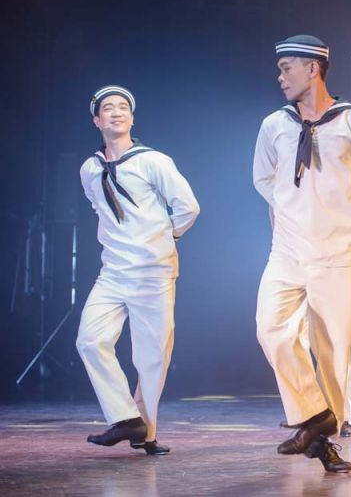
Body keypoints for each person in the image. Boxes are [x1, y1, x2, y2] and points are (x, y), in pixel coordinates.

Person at [253, 35, 351, 472]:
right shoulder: (274, 125)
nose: (280, 78)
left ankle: (325, 443)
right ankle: (315, 415)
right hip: (287, 249)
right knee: (271, 329)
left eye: (287, 69)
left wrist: (346, 217)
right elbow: (263, 179)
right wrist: (289, 210)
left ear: (312, 69)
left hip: (336, 252)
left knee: (333, 349)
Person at [77, 85, 200, 455]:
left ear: (131, 118)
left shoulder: (153, 161)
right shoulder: (89, 168)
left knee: (151, 357)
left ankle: (146, 433)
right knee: (90, 340)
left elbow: (188, 207)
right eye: (108, 108)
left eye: (123, 107)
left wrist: (163, 237)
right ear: (96, 120)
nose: (116, 112)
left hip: (153, 271)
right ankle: (126, 417)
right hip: (113, 272)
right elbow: (98, 207)